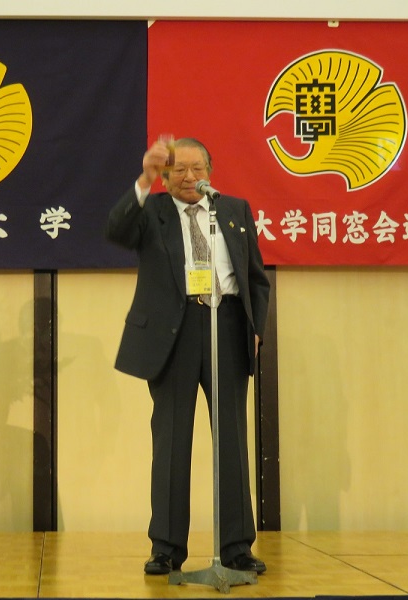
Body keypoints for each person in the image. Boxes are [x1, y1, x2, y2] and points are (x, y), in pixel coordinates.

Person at [106, 137, 270, 575]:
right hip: (173, 335)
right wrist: (143, 179)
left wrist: (256, 328)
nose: (189, 177)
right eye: (178, 169)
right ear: (165, 175)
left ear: (210, 172)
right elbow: (116, 229)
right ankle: (166, 549)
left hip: (227, 326)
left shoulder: (233, 210)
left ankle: (237, 547)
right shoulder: (152, 211)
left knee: (232, 441)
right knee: (172, 442)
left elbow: (256, 277)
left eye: (197, 169)